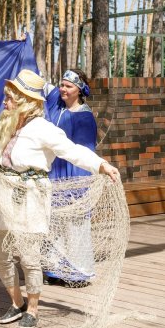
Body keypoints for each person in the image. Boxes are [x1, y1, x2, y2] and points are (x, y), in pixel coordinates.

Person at [0, 69, 120, 328]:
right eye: (6, 97)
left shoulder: (43, 129)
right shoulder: (6, 125)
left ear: (25, 101)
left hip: (30, 199)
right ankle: (17, 302)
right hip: (3, 198)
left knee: (30, 257)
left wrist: (101, 165)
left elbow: (74, 151)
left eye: (10, 98)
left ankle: (33, 308)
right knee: (0, 256)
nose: (5, 102)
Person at [42, 68, 97, 287]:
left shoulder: (84, 117)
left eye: (68, 86)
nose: (62, 89)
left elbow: (84, 152)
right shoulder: (56, 102)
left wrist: (79, 185)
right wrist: (23, 45)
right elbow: (35, 79)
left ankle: (78, 273)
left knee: (74, 224)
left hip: (73, 176)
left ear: (80, 90)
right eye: (62, 84)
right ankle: (55, 270)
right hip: (53, 173)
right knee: (53, 223)